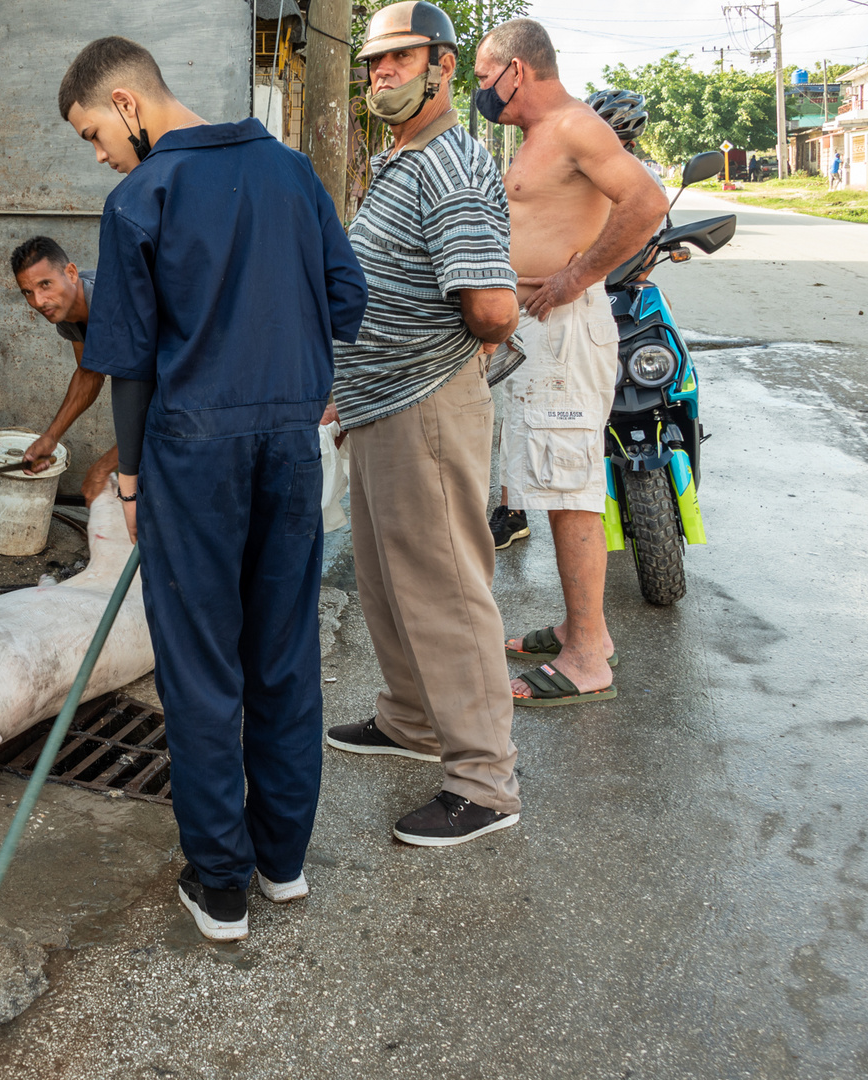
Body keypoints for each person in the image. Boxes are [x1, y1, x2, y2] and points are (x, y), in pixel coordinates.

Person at [61, 36, 366, 940]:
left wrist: (128, 479)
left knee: (199, 668)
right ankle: (283, 862)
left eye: (91, 134)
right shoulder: (295, 173)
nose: (100, 154)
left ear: (125, 104)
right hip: (288, 443)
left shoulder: (140, 199)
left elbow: (128, 364)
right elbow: (345, 301)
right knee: (281, 650)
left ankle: (220, 884)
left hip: (192, 451)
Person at [321, 1, 523, 848]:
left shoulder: (451, 164)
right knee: (386, 582)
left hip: (425, 405)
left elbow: (492, 309)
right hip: (378, 404)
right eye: (373, 64)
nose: (381, 76)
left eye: (399, 60)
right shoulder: (403, 155)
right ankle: (411, 717)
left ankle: (484, 780)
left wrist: (410, 356)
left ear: (444, 66)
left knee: (444, 591)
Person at [475, 18, 669, 706]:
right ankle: (579, 626)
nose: (481, 91)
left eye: (482, 78)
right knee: (553, 484)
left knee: (571, 486)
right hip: (538, 331)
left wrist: (578, 276)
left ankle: (589, 656)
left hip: (566, 327)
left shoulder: (575, 126)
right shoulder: (539, 136)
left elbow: (645, 202)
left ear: (516, 71)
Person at [9, 236, 120, 486]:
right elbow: (89, 373)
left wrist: (104, 467)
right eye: (28, 292)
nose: (37, 302)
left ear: (70, 273)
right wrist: (51, 438)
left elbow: (156, 402)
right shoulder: (69, 313)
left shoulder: (115, 307)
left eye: (45, 284)